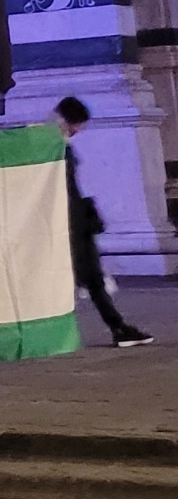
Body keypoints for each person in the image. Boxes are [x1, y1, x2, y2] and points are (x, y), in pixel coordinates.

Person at [53, 97, 154, 347]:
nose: (77, 131)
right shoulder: (56, 148)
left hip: (73, 221)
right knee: (91, 279)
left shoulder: (58, 146)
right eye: (77, 125)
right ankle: (118, 329)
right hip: (71, 224)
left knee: (93, 280)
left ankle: (119, 327)